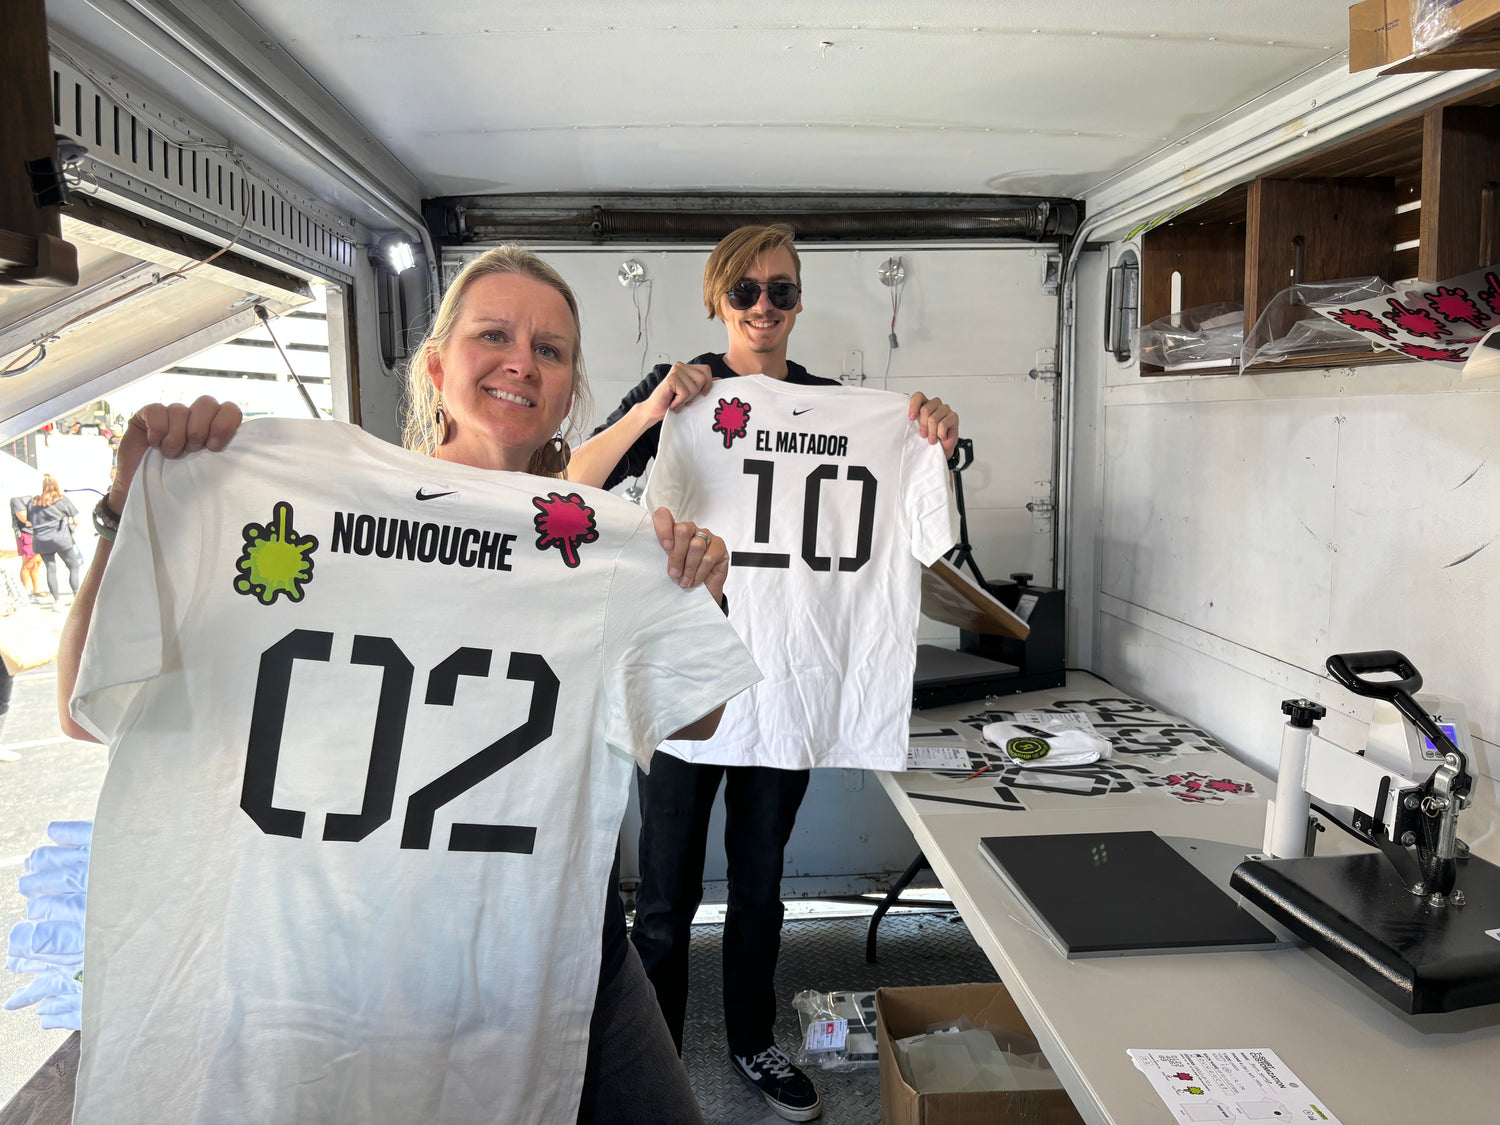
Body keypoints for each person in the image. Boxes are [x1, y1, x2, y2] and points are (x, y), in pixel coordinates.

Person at [56, 245, 759, 1125]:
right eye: (492, 334)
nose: (520, 361)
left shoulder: (601, 551)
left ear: (573, 386)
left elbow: (698, 719)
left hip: (549, 937)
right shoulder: (287, 506)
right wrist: (132, 508)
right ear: (435, 362)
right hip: (337, 945)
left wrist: (702, 596)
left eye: (550, 349)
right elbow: (84, 705)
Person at [569, 223, 960, 1122]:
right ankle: (653, 1058)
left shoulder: (840, 408)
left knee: (758, 885)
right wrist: (651, 407)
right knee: (662, 898)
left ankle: (751, 1039)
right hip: (685, 685)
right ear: (716, 298)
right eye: (745, 291)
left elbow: (928, 523)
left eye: (782, 291)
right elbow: (574, 486)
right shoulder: (681, 392)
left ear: (799, 302)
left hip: (785, 683)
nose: (764, 308)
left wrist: (938, 436)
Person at [27, 475, 81, 607]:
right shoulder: (61, 500)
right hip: (61, 539)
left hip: (41, 540)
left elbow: (29, 522)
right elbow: (75, 520)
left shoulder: (33, 503)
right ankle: (76, 597)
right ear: (56, 486)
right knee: (74, 566)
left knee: (50, 569)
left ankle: (56, 601)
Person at [10, 495, 45, 602]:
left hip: (38, 533)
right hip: (27, 535)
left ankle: (36, 591)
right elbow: (23, 518)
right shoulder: (17, 497)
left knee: (37, 563)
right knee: (28, 564)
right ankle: (25, 592)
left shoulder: (32, 495)